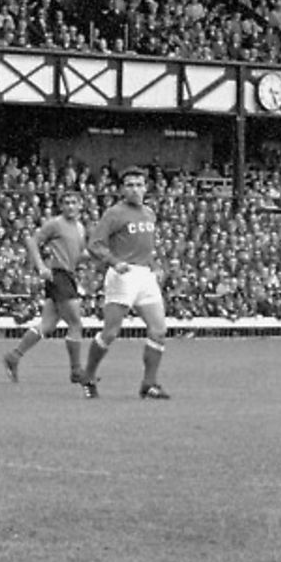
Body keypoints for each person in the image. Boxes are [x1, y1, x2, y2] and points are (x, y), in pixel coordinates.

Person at [77, 167, 172, 399]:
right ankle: (88, 375)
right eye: (130, 185)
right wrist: (113, 261)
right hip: (123, 275)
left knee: (159, 331)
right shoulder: (114, 213)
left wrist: (155, 265)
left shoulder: (149, 213)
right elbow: (95, 244)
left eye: (139, 184)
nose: (135, 189)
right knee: (110, 332)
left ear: (146, 187)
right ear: (122, 189)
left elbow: (146, 247)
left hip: (145, 275)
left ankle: (149, 384)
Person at [2, 190, 90, 387]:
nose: (70, 206)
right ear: (61, 206)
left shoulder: (80, 228)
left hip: (67, 275)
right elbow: (33, 241)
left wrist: (98, 256)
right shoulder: (55, 224)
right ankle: (76, 370)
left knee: (48, 325)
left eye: (73, 202)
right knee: (75, 324)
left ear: (80, 205)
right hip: (58, 275)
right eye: (66, 202)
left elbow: (78, 254)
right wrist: (41, 266)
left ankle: (14, 356)